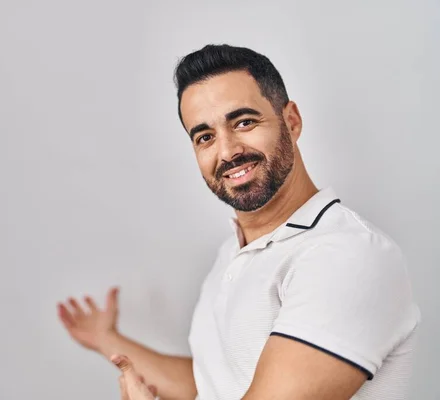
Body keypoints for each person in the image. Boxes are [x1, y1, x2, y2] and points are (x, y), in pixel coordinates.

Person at [57, 45, 420, 400]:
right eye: (205, 137)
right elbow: (212, 386)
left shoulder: (345, 255)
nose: (228, 151)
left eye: (244, 122)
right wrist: (107, 340)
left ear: (291, 121)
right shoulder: (233, 252)